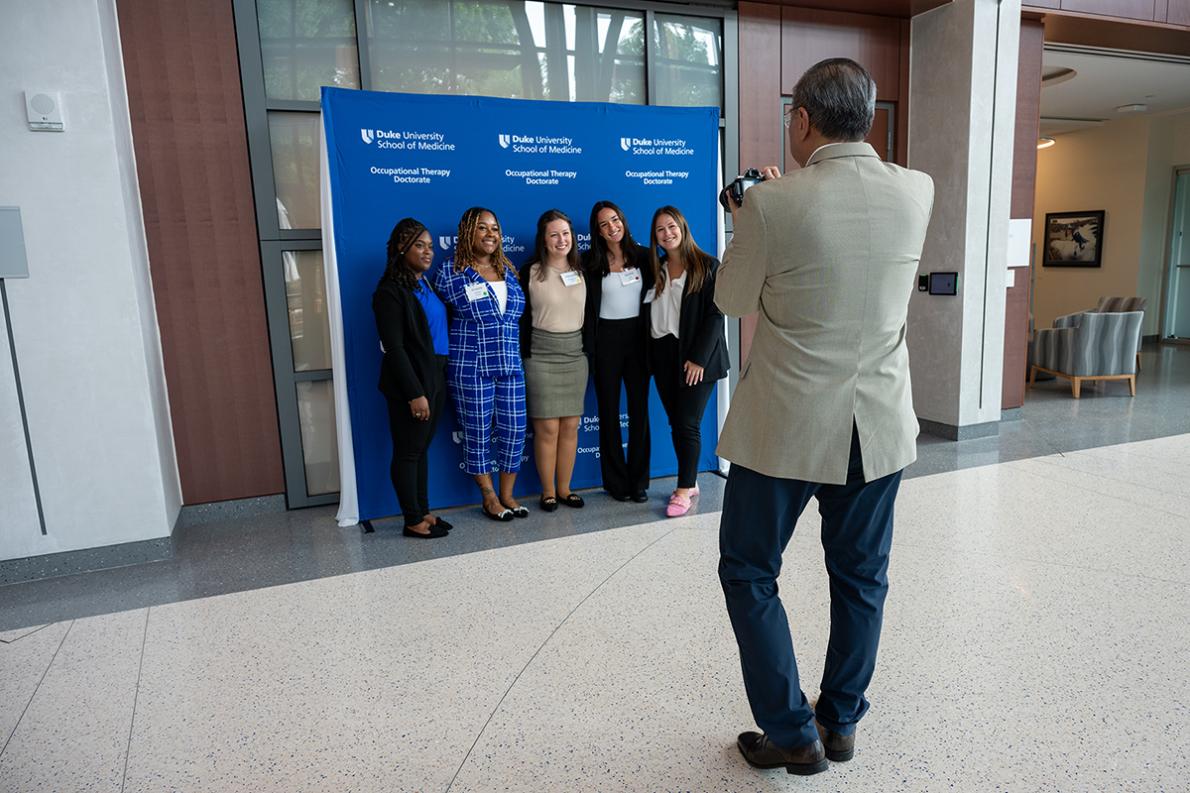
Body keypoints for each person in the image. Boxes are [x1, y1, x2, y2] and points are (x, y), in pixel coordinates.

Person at [715, 58, 935, 776]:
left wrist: (749, 219)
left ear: (803, 120)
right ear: (866, 117)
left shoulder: (774, 205)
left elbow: (732, 298)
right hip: (878, 425)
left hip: (784, 426)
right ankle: (838, 721)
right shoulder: (916, 190)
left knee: (750, 571)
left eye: (791, 119)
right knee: (862, 577)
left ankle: (791, 732)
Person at [434, 207, 529, 521]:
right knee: (477, 433)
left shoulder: (509, 270)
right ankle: (489, 497)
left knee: (514, 430)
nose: (491, 234)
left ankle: (508, 494)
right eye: (482, 228)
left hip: (510, 364)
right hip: (471, 365)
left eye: (495, 229)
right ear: (467, 234)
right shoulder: (450, 272)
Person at [373, 218, 454, 539]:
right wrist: (414, 393)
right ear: (399, 249)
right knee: (408, 452)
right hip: (412, 382)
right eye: (419, 245)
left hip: (435, 374)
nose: (428, 252)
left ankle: (423, 511)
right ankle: (412, 520)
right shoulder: (389, 293)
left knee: (420, 450)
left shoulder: (425, 284)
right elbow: (393, 349)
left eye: (431, 246)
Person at [646, 205, 728, 518]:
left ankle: (684, 487)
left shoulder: (707, 265)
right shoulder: (658, 268)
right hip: (664, 355)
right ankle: (689, 480)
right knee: (676, 423)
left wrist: (698, 359)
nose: (666, 234)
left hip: (697, 358)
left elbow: (715, 314)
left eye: (671, 227)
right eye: (659, 230)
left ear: (682, 227)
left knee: (687, 423)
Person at [582, 201, 654, 504]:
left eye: (615, 220)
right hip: (605, 342)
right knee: (608, 413)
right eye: (604, 224)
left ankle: (639, 482)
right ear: (596, 231)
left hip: (638, 340)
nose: (612, 227)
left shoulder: (644, 257)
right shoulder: (589, 262)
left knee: (639, 412)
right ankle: (615, 483)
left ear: (623, 220)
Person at [519, 210, 588, 512]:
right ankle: (547, 492)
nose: (562, 240)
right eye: (554, 234)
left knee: (571, 426)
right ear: (544, 240)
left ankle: (565, 489)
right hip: (541, 357)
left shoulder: (585, 270)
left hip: (575, 355)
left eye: (566, 234)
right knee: (547, 429)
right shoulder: (529, 273)